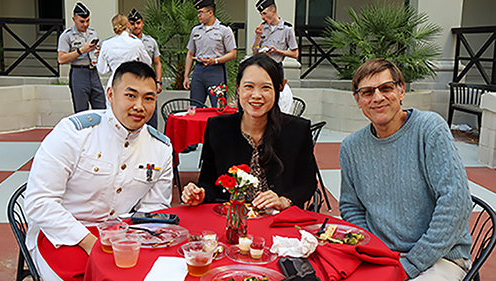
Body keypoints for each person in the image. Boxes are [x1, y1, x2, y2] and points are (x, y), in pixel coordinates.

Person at [24, 61, 173, 281]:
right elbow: (39, 201)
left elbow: (156, 206)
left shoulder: (160, 147)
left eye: (148, 98)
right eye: (130, 96)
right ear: (110, 94)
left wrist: (134, 239)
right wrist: (88, 241)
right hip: (63, 235)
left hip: (124, 236)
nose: (140, 106)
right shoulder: (74, 133)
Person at [338, 58, 472, 280]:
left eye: (386, 88)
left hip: (440, 256)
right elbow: (351, 207)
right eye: (368, 92)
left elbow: (456, 204)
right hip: (383, 254)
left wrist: (410, 264)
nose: (378, 97)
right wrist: (375, 249)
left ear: (401, 91)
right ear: (358, 100)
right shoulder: (351, 147)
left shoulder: (429, 128)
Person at [181, 53, 317, 210]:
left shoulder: (297, 130)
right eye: (249, 87)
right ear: (238, 90)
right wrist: (201, 192)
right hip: (231, 221)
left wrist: (284, 200)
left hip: (278, 223)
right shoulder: (217, 127)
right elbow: (209, 181)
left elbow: (307, 184)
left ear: (277, 90)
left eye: (266, 88)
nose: (256, 95)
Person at [183, 0, 237, 107]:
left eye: (201, 12)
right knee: (195, 105)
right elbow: (190, 53)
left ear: (210, 13)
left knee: (218, 105)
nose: (199, 15)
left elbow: (233, 53)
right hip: (198, 70)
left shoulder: (224, 29)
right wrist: (186, 76)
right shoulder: (196, 30)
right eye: (198, 12)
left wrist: (215, 60)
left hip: (215, 70)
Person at [57, 2, 105, 113]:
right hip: (78, 73)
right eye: (82, 21)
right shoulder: (67, 35)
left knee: (101, 108)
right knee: (81, 111)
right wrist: (80, 51)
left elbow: (101, 52)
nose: (85, 24)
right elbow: (61, 59)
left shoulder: (93, 33)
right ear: (74, 19)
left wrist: (98, 54)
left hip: (93, 72)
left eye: (88, 20)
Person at [97, 13, 152, 106]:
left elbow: (102, 70)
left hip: (114, 81)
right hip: (132, 81)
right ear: (129, 26)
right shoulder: (136, 43)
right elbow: (147, 63)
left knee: (113, 113)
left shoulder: (106, 44)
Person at [128, 8, 163, 129]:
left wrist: (158, 81)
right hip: (132, 81)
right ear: (128, 25)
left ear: (142, 23)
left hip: (148, 81)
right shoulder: (125, 41)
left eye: (138, 23)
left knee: (151, 113)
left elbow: (157, 63)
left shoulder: (150, 41)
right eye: (132, 24)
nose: (135, 26)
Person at [252, 0, 298, 78]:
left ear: (273, 11)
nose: (263, 18)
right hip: (261, 67)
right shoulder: (262, 28)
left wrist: (277, 51)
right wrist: (258, 36)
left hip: (276, 67)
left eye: (265, 14)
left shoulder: (287, 29)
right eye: (261, 14)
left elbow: (295, 54)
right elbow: (255, 52)